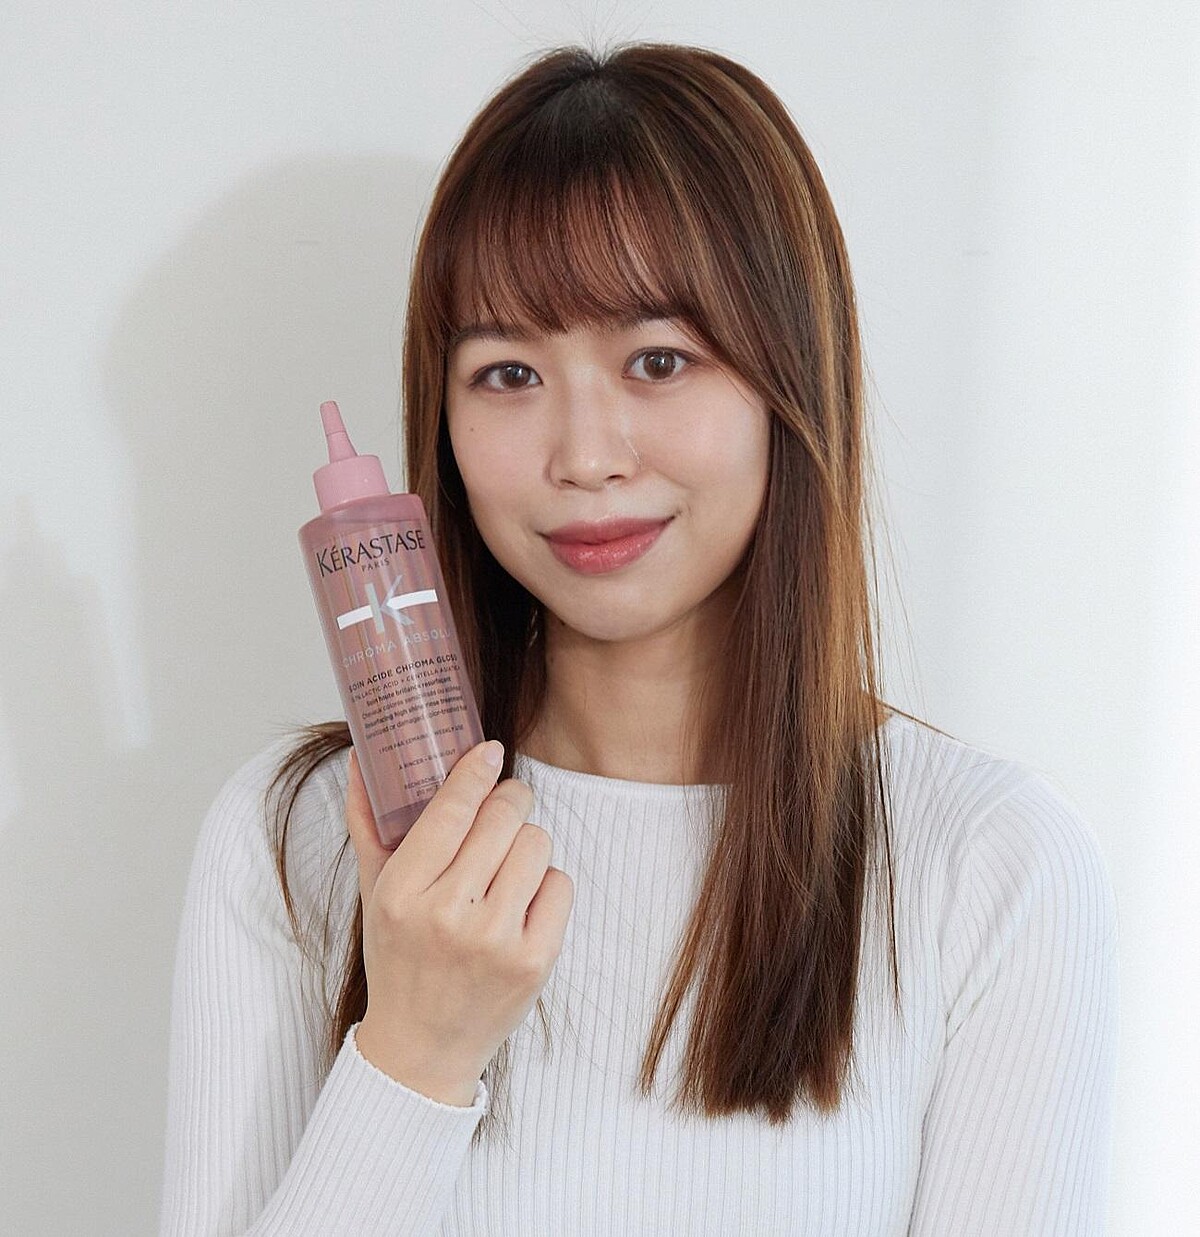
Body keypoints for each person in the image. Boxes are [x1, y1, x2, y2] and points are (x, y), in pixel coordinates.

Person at [158, 41, 1119, 1236]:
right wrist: (411, 1057)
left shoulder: (991, 868)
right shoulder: (296, 840)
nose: (585, 454)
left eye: (658, 360)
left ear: (790, 381)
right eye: (508, 372)